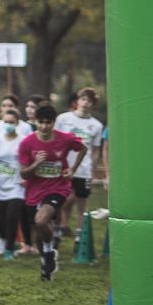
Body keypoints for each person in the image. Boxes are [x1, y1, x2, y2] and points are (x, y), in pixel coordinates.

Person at [18, 104, 86, 281]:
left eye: (48, 123)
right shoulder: (27, 143)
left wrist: (73, 170)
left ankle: (48, 254)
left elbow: (82, 148)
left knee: (41, 220)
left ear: (53, 123)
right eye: (40, 122)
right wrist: (36, 164)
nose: (44, 127)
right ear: (35, 122)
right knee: (39, 233)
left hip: (58, 188)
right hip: (34, 191)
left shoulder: (64, 139)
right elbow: (23, 173)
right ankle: (46, 263)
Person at [55, 88, 104, 237]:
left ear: (93, 105)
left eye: (89, 101)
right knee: (64, 198)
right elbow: (55, 140)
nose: (85, 103)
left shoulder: (96, 125)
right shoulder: (63, 119)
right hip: (64, 167)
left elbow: (96, 150)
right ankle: (61, 227)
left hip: (84, 170)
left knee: (81, 202)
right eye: (83, 99)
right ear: (77, 101)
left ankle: (80, 233)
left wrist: (92, 169)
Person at [0, 107, 26, 257]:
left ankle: (9, 248)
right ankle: (3, 239)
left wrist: (25, 177)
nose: (9, 125)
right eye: (6, 122)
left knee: (12, 216)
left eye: (12, 122)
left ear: (17, 123)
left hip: (16, 185)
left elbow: (26, 162)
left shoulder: (23, 141)